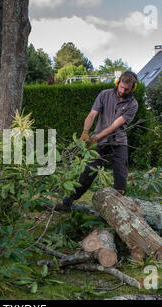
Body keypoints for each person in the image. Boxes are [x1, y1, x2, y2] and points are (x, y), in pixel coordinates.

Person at [56, 71, 139, 211]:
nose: (122, 91)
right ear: (118, 83)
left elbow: (114, 126)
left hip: (119, 142)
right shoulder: (104, 94)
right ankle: (67, 202)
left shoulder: (133, 104)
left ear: (133, 89)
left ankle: (118, 210)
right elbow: (92, 114)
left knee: (120, 173)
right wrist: (85, 132)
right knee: (88, 172)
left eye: (127, 89)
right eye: (121, 87)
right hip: (99, 143)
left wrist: (95, 137)